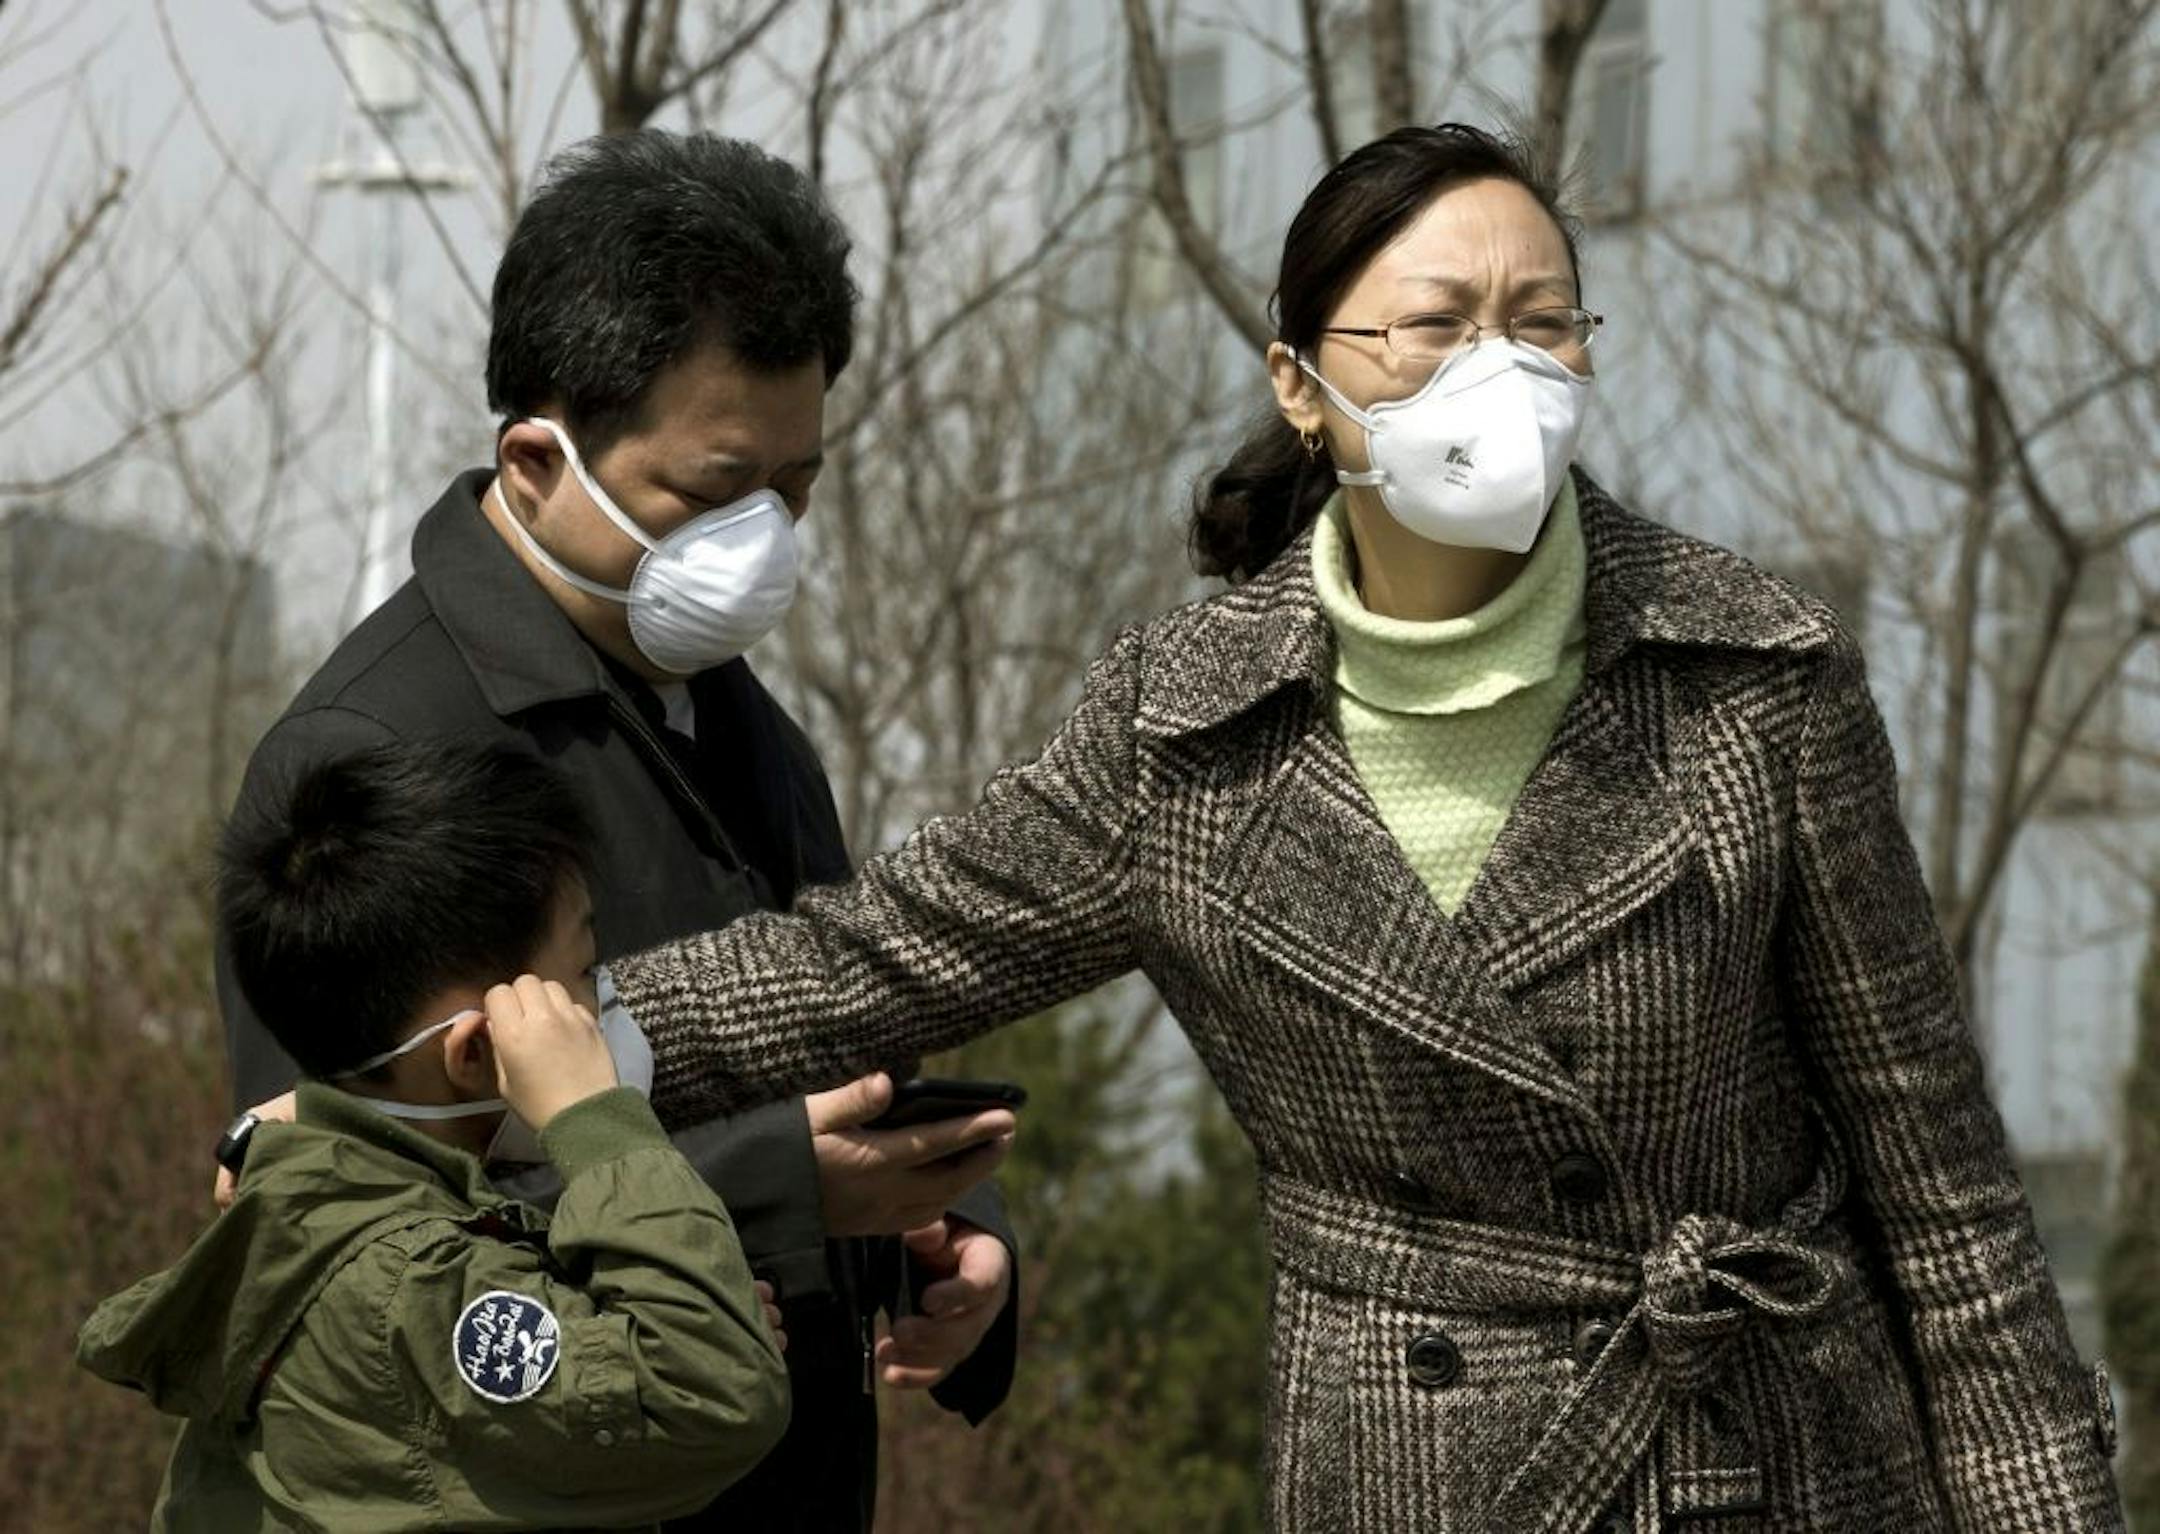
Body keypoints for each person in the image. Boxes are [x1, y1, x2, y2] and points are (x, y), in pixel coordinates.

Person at [591, 124, 2125, 1531]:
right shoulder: (1184, 733)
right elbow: (870, 959)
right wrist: (527, 1048)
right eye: (1437, 324)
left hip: (1776, 1446)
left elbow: (1950, 1200)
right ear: (1300, 382)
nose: (1500, 371)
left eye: (1542, 323)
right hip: (1414, 1465)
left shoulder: (1753, 678)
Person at [215, 130, 1019, 1532]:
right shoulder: (370, 757)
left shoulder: (744, 723)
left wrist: (945, 1236)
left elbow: (846, 1077)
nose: (763, 537)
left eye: (797, 485)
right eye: (712, 492)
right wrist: (780, 1191)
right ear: (536, 458)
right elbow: (331, 1242)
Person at [81, 740, 793, 1529]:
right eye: (586, 974)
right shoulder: (403, 1284)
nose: (610, 1003)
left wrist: (679, 1313)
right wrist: (595, 1123)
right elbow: (714, 1393)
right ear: (477, 1050)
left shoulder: (359, 1222)